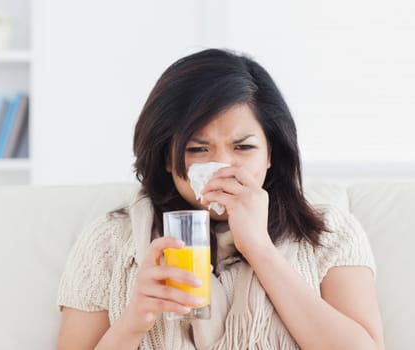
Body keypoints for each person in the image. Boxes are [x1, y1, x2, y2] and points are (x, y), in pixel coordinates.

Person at [56, 49, 384, 349]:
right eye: (198, 149)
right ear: (168, 160)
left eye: (243, 147)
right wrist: (134, 321)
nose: (222, 167)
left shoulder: (328, 233)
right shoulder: (110, 243)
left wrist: (259, 249)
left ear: (271, 154)